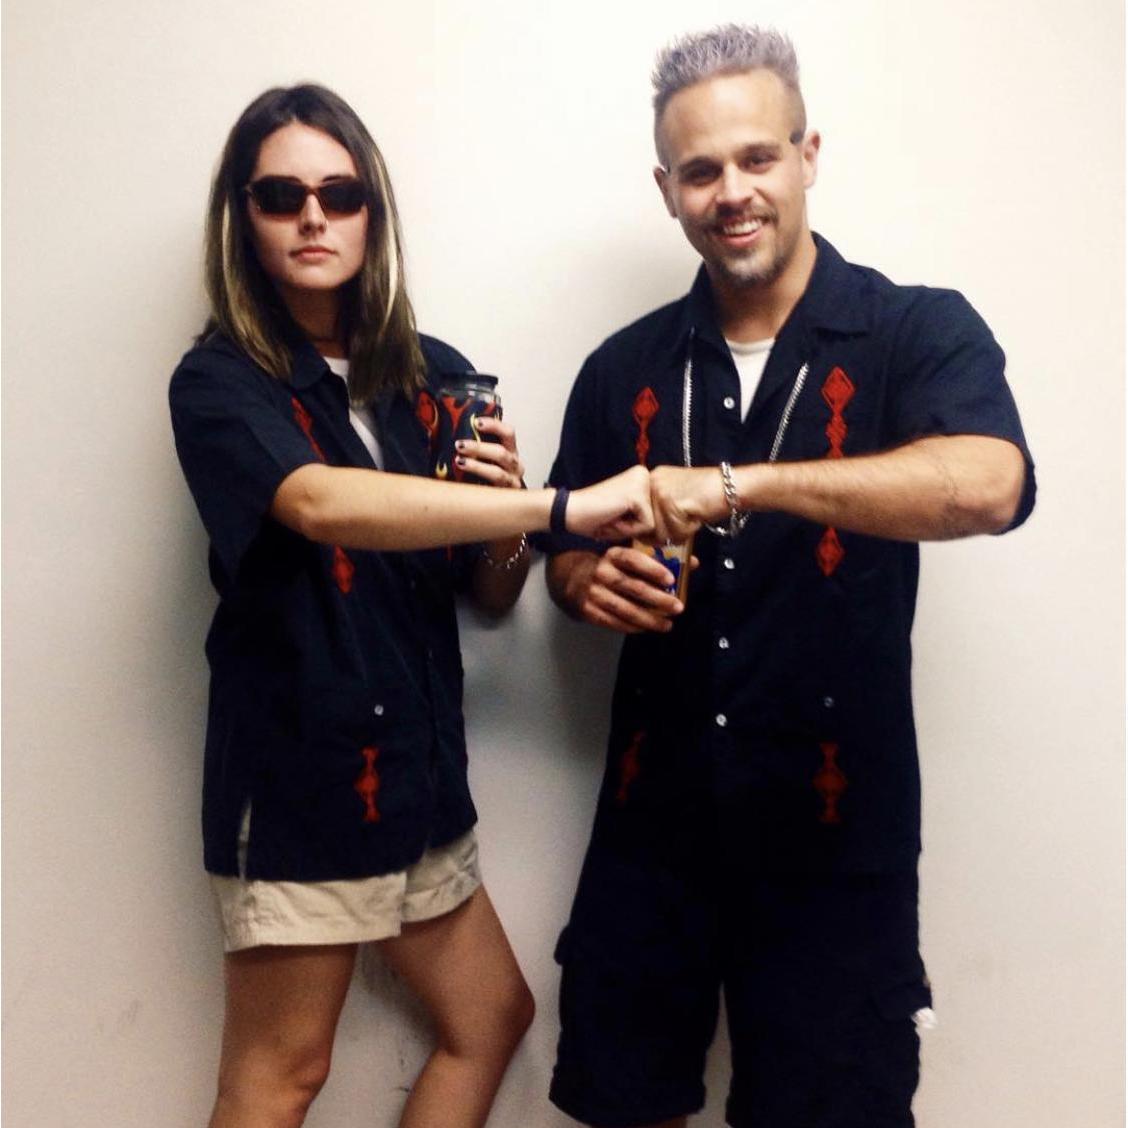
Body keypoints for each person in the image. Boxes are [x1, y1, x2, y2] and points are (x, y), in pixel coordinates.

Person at [543, 25, 1035, 1128]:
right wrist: (583, 585)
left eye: (758, 157)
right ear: (667, 190)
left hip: (836, 842)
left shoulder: (916, 330)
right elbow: (562, 551)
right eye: (702, 170)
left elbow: (992, 484)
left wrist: (743, 485)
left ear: (809, 155)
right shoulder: (620, 367)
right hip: (650, 835)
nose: (733, 192)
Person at [169, 83, 652, 1128]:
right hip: (301, 786)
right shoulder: (219, 383)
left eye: (339, 194)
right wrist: (554, 504)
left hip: (421, 780)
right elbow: (319, 503)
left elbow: (491, 592)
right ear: (242, 216)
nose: (312, 217)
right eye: (281, 195)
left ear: (371, 213)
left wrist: (502, 514)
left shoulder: (433, 376)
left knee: (492, 1016)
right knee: (281, 1075)